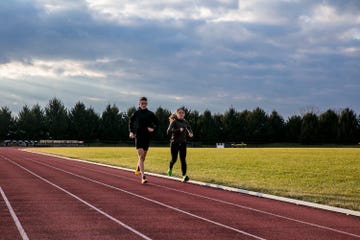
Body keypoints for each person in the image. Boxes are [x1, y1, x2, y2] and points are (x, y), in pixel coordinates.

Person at [129, 97, 159, 184]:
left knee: (143, 157)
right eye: (142, 103)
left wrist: (153, 128)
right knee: (141, 155)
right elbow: (130, 122)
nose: (144, 105)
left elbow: (157, 123)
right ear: (139, 104)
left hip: (147, 137)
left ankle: (138, 167)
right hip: (138, 136)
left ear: (147, 104)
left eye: (145, 103)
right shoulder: (136, 113)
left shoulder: (150, 114)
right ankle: (143, 176)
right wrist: (131, 132)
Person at [167, 107, 193, 182]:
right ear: (177, 114)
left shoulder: (185, 122)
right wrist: (178, 130)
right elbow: (168, 131)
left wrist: (190, 133)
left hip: (183, 143)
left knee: (183, 160)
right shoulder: (174, 122)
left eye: (183, 113)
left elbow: (189, 128)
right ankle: (170, 168)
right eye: (180, 113)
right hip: (174, 143)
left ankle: (184, 176)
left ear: (184, 114)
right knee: (174, 159)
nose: (181, 114)